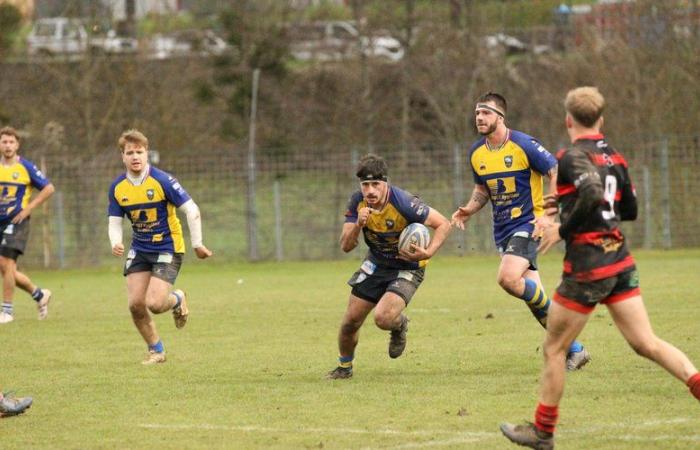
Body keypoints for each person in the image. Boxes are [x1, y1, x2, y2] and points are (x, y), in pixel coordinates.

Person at [500, 87, 700, 450]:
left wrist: (562, 226)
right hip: (619, 259)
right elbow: (630, 209)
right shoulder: (615, 157)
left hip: (589, 267)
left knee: (555, 349)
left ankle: (542, 433)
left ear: (568, 120)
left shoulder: (573, 156)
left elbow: (592, 194)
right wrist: (567, 201)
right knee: (646, 344)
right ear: (601, 120)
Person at [451, 93, 590, 370]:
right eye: (477, 113)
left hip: (528, 224)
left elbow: (555, 170)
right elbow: (482, 190)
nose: (479, 118)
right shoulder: (476, 152)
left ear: (500, 118)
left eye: (486, 113)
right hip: (502, 230)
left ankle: (571, 333)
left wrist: (548, 214)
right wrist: (468, 209)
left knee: (507, 278)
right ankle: (576, 350)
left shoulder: (523, 144)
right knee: (536, 303)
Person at [326, 153, 451, 379]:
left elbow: (443, 223)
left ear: (386, 183)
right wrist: (358, 224)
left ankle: (399, 325)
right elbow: (346, 246)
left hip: (408, 267)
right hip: (376, 263)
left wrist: (429, 251)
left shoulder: (404, 203)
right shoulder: (357, 202)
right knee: (350, 321)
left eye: (376, 184)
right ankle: (344, 368)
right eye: (366, 185)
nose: (370, 190)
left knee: (383, 318)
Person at [108, 129, 212, 365]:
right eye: (130, 152)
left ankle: (177, 299)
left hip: (168, 247)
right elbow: (114, 222)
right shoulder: (117, 187)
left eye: (140, 152)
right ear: (122, 156)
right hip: (140, 248)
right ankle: (156, 351)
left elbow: (191, 209)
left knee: (154, 304)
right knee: (135, 305)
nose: (135, 156)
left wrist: (197, 244)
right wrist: (116, 242)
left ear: (147, 154)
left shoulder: (163, 180)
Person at [0, 126, 54, 324]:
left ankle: (6, 311)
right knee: (7, 270)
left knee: (6, 263)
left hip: (17, 222)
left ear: (17, 144)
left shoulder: (26, 167)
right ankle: (39, 295)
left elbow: (48, 188)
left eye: (11, 142)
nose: (7, 146)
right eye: (4, 141)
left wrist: (28, 209)